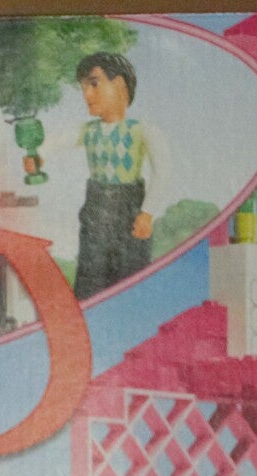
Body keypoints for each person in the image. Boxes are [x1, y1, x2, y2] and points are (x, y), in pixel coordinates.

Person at [70, 52, 168, 300]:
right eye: (83, 88)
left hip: (130, 213)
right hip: (95, 213)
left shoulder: (141, 129)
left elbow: (163, 170)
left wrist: (147, 213)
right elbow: (56, 142)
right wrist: (37, 157)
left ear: (121, 85)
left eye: (94, 84)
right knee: (90, 280)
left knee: (130, 279)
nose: (87, 94)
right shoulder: (88, 131)